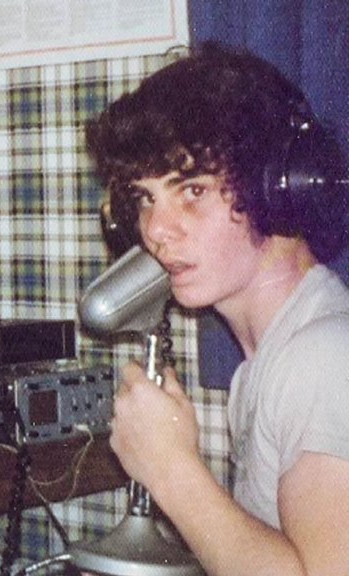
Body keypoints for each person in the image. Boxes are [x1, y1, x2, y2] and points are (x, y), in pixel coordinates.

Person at [84, 43, 349, 575]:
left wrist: (170, 470)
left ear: (278, 190)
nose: (156, 230)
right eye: (145, 198)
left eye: (193, 191)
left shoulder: (322, 359)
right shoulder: (270, 362)